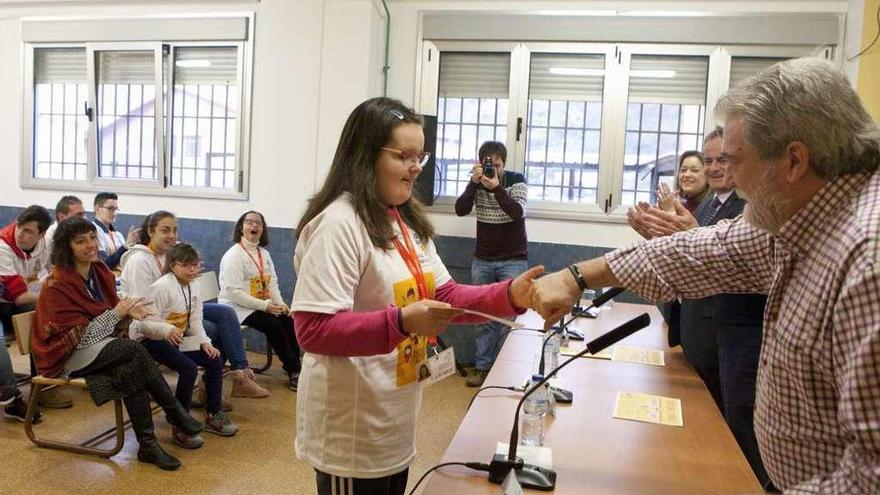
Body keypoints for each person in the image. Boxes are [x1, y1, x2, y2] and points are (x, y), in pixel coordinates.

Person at [529, 58, 880, 493]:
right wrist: (577, 277)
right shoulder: (807, 217)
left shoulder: (868, 260)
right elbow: (706, 250)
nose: (728, 177)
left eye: (735, 160)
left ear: (793, 161)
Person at [292, 97, 542, 495]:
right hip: (351, 428)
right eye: (403, 155)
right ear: (365, 156)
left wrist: (511, 294)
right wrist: (402, 322)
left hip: (394, 419)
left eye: (420, 156)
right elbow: (313, 330)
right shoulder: (338, 224)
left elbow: (446, 296)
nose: (416, 167)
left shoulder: (404, 221)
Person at [629, 128, 772, 488]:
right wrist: (661, 237)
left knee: (735, 430)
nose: (713, 168)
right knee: (704, 426)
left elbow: (720, 258)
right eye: (708, 160)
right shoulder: (710, 203)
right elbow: (689, 255)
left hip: (736, 336)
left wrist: (690, 235)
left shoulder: (750, 207)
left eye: (722, 159)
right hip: (699, 330)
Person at [31, 217, 204, 470]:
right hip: (67, 355)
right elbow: (79, 338)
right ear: (66, 248)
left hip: (100, 347)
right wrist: (119, 313)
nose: (90, 244)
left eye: (92, 237)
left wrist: (127, 311)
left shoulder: (99, 271)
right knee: (132, 349)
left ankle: (148, 445)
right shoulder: (56, 284)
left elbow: (108, 317)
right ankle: (174, 411)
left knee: (130, 368)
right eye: (81, 241)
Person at [120, 211, 266, 403]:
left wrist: (189, 273)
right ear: (150, 231)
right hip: (157, 320)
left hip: (178, 309)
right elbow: (143, 307)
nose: (172, 236)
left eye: (175, 230)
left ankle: (240, 373)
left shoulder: (167, 254)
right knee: (214, 329)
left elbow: (182, 284)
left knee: (226, 313)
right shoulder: (139, 261)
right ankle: (208, 384)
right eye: (165, 230)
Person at [133, 242, 239, 448]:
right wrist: (167, 330)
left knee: (214, 359)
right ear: (173, 265)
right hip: (152, 340)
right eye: (187, 265)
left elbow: (195, 320)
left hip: (177, 339)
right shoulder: (162, 287)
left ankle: (213, 414)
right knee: (188, 368)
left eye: (196, 265)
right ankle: (180, 423)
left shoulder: (193, 285)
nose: (193, 270)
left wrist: (205, 342)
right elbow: (143, 324)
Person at [454, 141, 529, 387]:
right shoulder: (476, 182)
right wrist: (473, 184)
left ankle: (505, 372)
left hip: (513, 260)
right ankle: (482, 369)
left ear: (504, 164)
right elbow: (460, 210)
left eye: (496, 165)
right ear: (480, 162)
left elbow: (517, 212)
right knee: (483, 319)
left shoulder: (516, 180)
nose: (492, 170)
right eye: (488, 165)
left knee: (509, 320)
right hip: (483, 260)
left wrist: (496, 188)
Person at [219, 211, 301, 391]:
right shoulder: (234, 256)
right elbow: (233, 293)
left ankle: (296, 368)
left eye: (258, 223)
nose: (254, 226)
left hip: (260, 304)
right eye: (249, 222)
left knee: (288, 320)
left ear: (263, 229)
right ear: (241, 227)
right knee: (273, 325)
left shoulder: (263, 253)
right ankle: (294, 370)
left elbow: (272, 282)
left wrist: (280, 304)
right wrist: (266, 306)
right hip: (236, 308)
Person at [0, 205, 71, 409]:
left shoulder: (45, 244)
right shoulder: (3, 246)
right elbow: (20, 297)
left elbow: (57, 272)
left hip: (13, 303)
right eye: (21, 227)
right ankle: (11, 393)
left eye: (30, 231)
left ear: (41, 235)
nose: (22, 234)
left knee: (49, 317)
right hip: (8, 303)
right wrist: (52, 297)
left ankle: (44, 384)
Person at [92, 192, 139, 271]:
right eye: (110, 208)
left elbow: (126, 261)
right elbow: (104, 265)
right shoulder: (93, 231)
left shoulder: (118, 235)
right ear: (97, 208)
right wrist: (126, 245)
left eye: (116, 209)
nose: (114, 213)